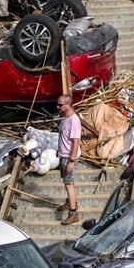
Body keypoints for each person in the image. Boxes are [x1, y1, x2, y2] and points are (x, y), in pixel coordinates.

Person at [56, 94, 81, 225]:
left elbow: (76, 142)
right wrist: (58, 150)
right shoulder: (65, 118)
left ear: (68, 105)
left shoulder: (74, 120)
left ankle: (73, 213)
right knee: (66, 182)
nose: (58, 106)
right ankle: (69, 202)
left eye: (60, 105)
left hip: (69, 157)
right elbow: (63, 137)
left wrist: (71, 161)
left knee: (69, 183)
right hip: (63, 155)